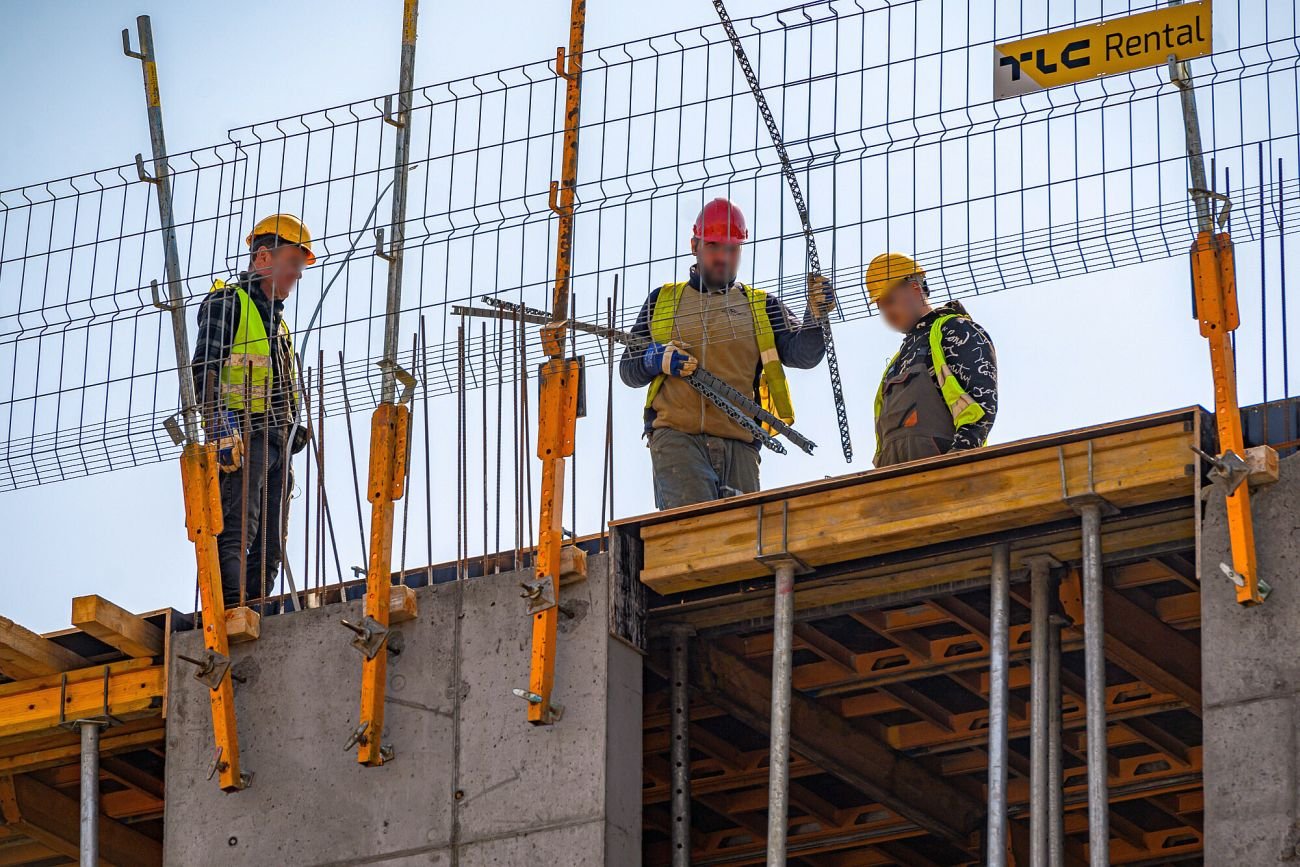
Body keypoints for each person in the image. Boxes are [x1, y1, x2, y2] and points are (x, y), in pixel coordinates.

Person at [619, 197, 833, 510]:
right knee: (693, 532)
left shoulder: (760, 306)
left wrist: (816, 317)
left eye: (732, 249)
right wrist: (655, 359)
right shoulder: (663, 301)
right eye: (714, 247)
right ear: (695, 246)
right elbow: (629, 370)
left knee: (742, 541)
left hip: (740, 443)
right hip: (678, 438)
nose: (723, 257)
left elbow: (804, 355)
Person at [191, 214, 312, 608]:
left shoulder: (280, 327)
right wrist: (218, 426)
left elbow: (277, 384)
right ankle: (230, 609)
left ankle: (255, 609)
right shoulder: (228, 302)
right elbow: (204, 369)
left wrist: (294, 427)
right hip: (242, 436)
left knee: (271, 545)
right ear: (263, 258)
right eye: (293, 263)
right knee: (239, 527)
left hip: (277, 443)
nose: (297, 275)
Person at [865, 252, 998, 467]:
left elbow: (982, 409)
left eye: (890, 301)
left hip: (944, 478)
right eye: (881, 306)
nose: (887, 312)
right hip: (895, 485)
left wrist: (954, 464)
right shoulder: (896, 363)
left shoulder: (955, 331)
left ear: (916, 290)